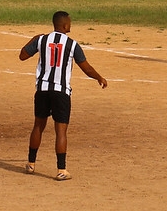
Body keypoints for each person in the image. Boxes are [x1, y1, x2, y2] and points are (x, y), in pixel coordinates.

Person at [20, 11, 107, 180]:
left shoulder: (41, 40)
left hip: (42, 89)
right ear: (65, 25)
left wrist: (34, 39)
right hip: (61, 92)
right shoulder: (72, 45)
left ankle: (31, 164)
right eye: (70, 23)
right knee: (61, 131)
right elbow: (86, 68)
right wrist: (99, 77)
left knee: (38, 126)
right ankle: (61, 170)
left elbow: (22, 56)